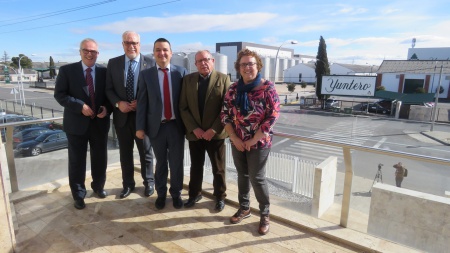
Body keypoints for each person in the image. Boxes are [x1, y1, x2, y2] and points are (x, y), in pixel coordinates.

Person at [221, 49, 280, 235]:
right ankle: (245, 208)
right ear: (238, 68)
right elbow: (225, 114)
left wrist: (254, 139)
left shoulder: (267, 88)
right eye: (243, 64)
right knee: (242, 175)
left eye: (251, 64)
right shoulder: (233, 89)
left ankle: (264, 214)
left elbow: (273, 115)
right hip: (237, 141)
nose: (247, 67)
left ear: (258, 66)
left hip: (259, 143)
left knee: (257, 177)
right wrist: (235, 138)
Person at [54, 38, 112, 210]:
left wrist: (107, 108)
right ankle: (79, 194)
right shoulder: (67, 70)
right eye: (86, 50)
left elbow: (110, 96)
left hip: (99, 124)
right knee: (77, 161)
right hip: (76, 125)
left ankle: (98, 187)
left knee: (100, 159)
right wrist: (79, 106)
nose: (89, 54)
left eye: (93, 51)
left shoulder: (105, 71)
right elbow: (60, 95)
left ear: (98, 54)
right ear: (80, 52)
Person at [136, 38, 187, 210]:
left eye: (165, 50)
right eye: (158, 50)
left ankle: (176, 193)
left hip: (176, 126)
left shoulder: (181, 72)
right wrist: (140, 127)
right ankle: (161, 194)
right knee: (160, 163)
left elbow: (186, 102)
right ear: (154, 53)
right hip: (156, 127)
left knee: (176, 163)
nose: (162, 53)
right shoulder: (146, 75)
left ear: (171, 53)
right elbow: (142, 102)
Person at [105, 31, 155, 199]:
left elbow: (155, 91)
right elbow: (108, 89)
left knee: (146, 153)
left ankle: (149, 183)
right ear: (122, 44)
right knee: (125, 154)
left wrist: (141, 103)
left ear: (140, 44)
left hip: (143, 118)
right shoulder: (113, 63)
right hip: (122, 117)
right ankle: (128, 185)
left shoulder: (151, 62)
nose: (131, 46)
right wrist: (119, 104)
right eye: (127, 42)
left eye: (134, 42)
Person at [179, 50, 230, 211]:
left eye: (206, 60)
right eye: (199, 61)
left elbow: (227, 108)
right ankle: (194, 194)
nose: (203, 63)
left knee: (218, 168)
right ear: (195, 64)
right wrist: (195, 128)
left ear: (213, 61)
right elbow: (183, 107)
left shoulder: (223, 79)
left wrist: (213, 130)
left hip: (215, 134)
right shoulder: (188, 80)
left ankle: (220, 197)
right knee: (196, 166)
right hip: (196, 134)